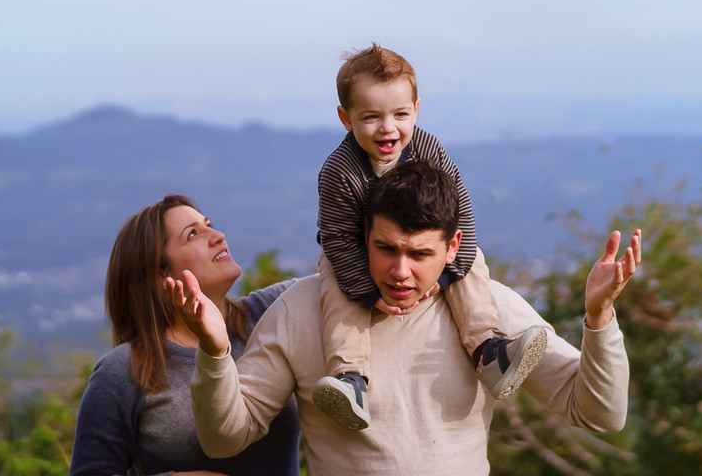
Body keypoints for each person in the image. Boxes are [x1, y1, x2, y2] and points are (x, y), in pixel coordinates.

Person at [167, 160, 641, 476]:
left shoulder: (488, 309)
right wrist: (215, 353)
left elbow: (599, 414)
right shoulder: (300, 310)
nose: (399, 270)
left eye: (419, 254)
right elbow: (224, 440)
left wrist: (599, 318)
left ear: (454, 248)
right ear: (363, 234)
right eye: (386, 248)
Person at [313, 43, 545, 429]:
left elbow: (459, 208)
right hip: (358, 251)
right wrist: (368, 292)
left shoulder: (427, 147)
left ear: (416, 109)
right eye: (371, 117)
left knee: (472, 264)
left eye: (400, 114)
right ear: (346, 118)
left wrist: (449, 270)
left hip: (425, 247)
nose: (388, 127)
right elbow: (337, 239)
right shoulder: (340, 171)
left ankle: (489, 350)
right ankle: (350, 378)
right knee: (335, 289)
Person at [70, 195, 300, 476]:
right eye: (192, 234)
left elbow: (339, 277)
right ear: (159, 275)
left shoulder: (272, 312)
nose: (218, 236)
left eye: (209, 225)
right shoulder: (123, 370)